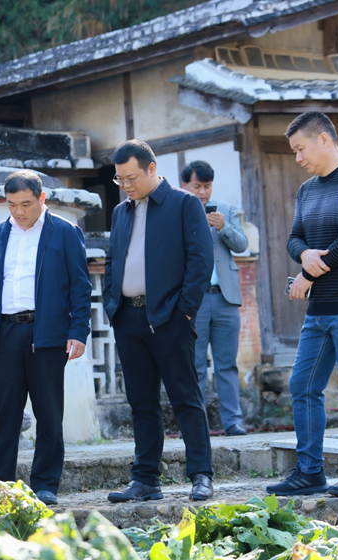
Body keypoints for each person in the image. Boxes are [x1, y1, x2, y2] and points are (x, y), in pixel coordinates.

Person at [266, 112, 338, 497]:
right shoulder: (307, 190)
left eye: (301, 149)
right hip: (320, 309)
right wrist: (304, 255)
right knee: (302, 384)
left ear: (324, 140)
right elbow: (294, 238)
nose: (298, 158)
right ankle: (310, 472)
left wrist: (308, 275)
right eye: (294, 151)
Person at [104, 140, 215, 503]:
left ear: (152, 169)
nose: (126, 185)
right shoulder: (121, 211)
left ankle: (201, 475)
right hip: (128, 318)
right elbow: (113, 261)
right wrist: (113, 306)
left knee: (185, 398)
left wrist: (184, 311)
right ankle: (145, 479)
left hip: (170, 317)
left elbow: (201, 261)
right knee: (141, 403)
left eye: (131, 178)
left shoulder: (184, 204)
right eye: (120, 179)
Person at [0, 170, 92, 506]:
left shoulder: (64, 232)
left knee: (48, 413)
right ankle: (0, 484)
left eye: (26, 204)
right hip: (6, 332)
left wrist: (78, 331)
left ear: (42, 198)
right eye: (12, 204)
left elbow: (80, 286)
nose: (19, 211)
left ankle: (45, 484)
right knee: (5, 414)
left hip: (47, 334)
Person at [181, 161, 249, 437]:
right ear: (185, 185)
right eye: (197, 186)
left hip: (225, 298)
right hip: (194, 302)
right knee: (193, 366)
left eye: (207, 186)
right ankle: (197, 426)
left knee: (227, 364)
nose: (202, 192)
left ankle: (233, 422)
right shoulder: (178, 210)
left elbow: (242, 245)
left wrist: (224, 227)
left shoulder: (225, 210)